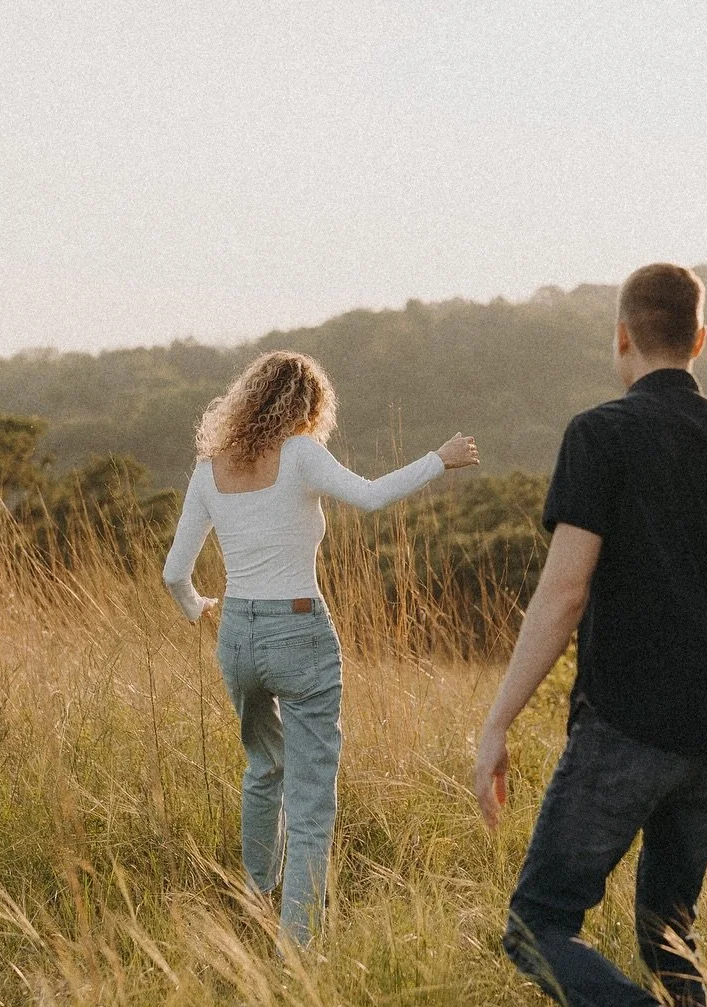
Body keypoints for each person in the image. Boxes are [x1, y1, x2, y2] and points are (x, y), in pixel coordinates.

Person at [472, 264, 707, 1007]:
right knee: (669, 929)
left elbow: (565, 591)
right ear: (699, 339)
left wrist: (497, 721)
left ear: (621, 336)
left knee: (538, 924)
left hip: (624, 728)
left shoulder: (601, 435)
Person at [163, 350, 478, 944]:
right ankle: (299, 950)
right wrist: (441, 458)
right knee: (310, 804)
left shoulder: (208, 470)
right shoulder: (301, 454)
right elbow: (372, 497)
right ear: (308, 406)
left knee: (263, 767)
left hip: (237, 634)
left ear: (248, 398)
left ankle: (258, 897)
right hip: (300, 630)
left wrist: (198, 607)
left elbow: (174, 572)